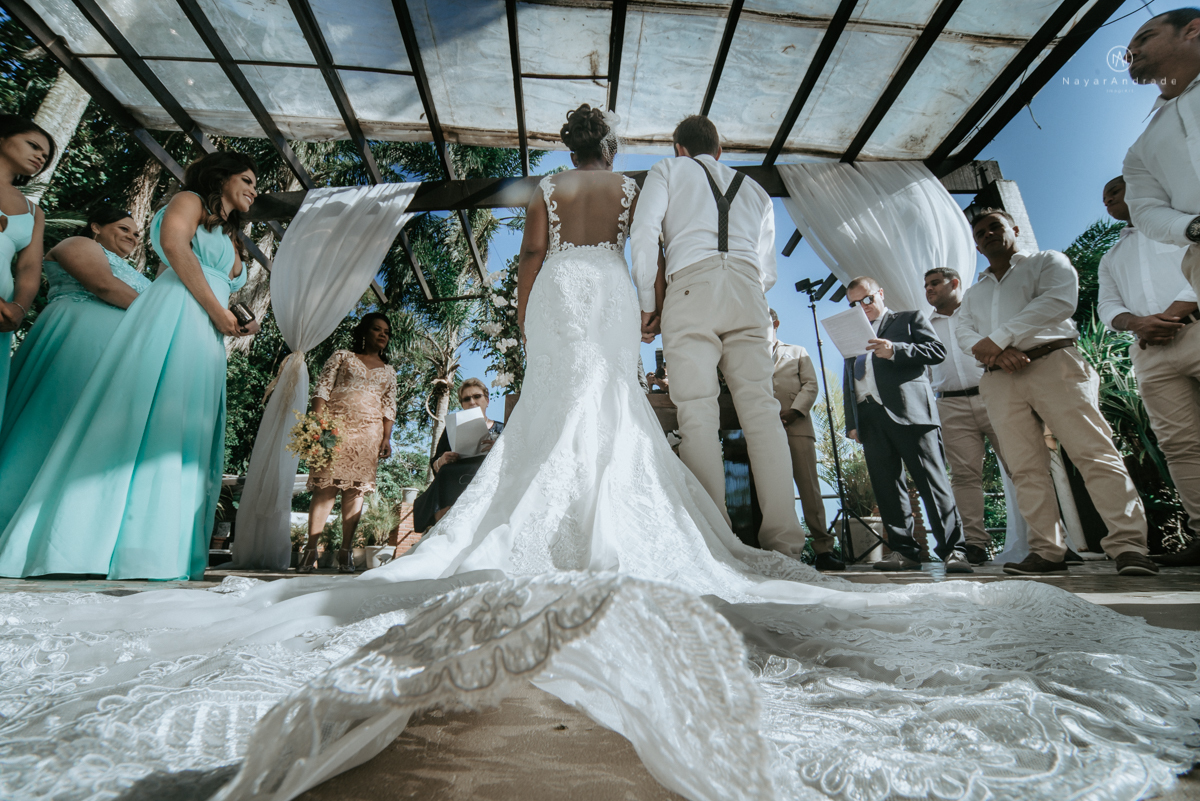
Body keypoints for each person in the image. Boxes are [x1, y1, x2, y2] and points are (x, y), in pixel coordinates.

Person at [4, 110, 1200, 801]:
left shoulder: (544, 183)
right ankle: (704, 530)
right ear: (605, 144)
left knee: (560, 410)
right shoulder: (626, 184)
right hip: (609, 286)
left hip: (560, 294)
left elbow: (531, 255)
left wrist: (538, 307)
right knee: (616, 413)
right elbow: (622, 250)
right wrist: (626, 301)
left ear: (556, 143)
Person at [0, 151, 260, 580]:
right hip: (181, 310)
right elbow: (176, 249)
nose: (254, 189)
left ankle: (152, 549)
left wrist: (233, 320)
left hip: (207, 330)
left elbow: (219, 282)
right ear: (222, 177)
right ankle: (80, 544)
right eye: (247, 179)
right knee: (145, 417)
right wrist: (215, 310)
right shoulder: (190, 200)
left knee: (182, 426)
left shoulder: (231, 234)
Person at [630, 114, 806, 558]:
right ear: (720, 151)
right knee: (762, 413)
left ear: (679, 149)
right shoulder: (757, 190)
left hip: (692, 286)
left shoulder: (667, 171)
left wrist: (647, 305)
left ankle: (718, 542)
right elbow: (768, 271)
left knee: (696, 412)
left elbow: (645, 233)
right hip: (749, 293)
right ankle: (786, 544)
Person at [957, 208, 1158, 576]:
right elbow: (964, 332)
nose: (987, 234)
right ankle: (1047, 550)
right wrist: (999, 354)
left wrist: (1000, 339)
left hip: (1054, 363)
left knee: (1093, 452)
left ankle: (1129, 546)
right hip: (999, 379)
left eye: (995, 226)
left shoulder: (1048, 261)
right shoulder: (974, 292)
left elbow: (1057, 302)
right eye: (981, 232)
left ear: (1013, 229)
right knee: (1024, 468)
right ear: (976, 243)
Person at [0, 207, 149, 521]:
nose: (132, 237)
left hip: (116, 354)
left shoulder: (135, 272)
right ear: (96, 226)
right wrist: (166, 316)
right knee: (51, 417)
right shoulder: (78, 245)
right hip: (75, 340)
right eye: (124, 228)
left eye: (136, 234)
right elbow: (104, 286)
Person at [1098, 174, 1200, 567]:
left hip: (1194, 328)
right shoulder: (1111, 257)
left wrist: (1172, 314)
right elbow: (1108, 306)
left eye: (1114, 190)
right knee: (1179, 444)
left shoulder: (1182, 224)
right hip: (1149, 352)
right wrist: (1137, 324)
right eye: (1104, 197)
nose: (1107, 200)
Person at [840, 277, 970, 573]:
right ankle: (904, 552)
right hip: (870, 418)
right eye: (854, 304)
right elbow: (850, 378)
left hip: (911, 414)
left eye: (867, 299)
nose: (863, 307)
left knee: (931, 483)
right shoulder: (852, 334)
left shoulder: (910, 319)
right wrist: (853, 421)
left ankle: (954, 550)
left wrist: (895, 350)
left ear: (881, 294)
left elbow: (937, 352)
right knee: (886, 488)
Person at [923, 267, 1017, 565]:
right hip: (949, 406)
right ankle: (975, 543)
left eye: (935, 283)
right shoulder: (925, 326)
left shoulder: (979, 313)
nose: (929, 289)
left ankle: (1051, 539)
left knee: (1021, 467)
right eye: (926, 285)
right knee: (964, 477)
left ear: (955, 283)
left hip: (993, 392)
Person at [297, 313, 398, 574]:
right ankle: (310, 550)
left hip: (368, 434)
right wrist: (319, 425)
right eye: (377, 329)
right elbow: (322, 388)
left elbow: (389, 407)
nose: (382, 334)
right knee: (324, 489)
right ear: (364, 332)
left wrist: (386, 438)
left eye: (386, 331)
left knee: (355, 492)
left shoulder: (390, 372)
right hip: (336, 427)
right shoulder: (343, 356)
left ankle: (345, 552)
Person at [1122, 8, 1200, 299]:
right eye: (1127, 51)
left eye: (1144, 38)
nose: (1128, 54)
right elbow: (1144, 209)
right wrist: (1194, 228)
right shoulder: (1140, 149)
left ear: (1192, 30)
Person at [769, 308, 842, 570]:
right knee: (774, 490)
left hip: (797, 427)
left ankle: (824, 549)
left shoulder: (798, 351)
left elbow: (810, 384)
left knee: (809, 489)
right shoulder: (748, 356)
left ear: (775, 322)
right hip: (764, 432)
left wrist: (796, 411)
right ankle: (782, 550)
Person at [0, 115, 51, 423]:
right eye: (33, 146)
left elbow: (30, 266)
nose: (39, 157)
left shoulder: (34, 211)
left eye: (44, 157)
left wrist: (19, 309)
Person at [412, 377, 505, 535]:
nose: (472, 402)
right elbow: (435, 461)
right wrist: (442, 460)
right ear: (462, 404)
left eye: (477, 396)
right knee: (446, 473)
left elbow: (514, 458)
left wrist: (498, 448)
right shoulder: (451, 429)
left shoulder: (502, 429)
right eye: (466, 399)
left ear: (487, 400)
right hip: (455, 475)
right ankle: (440, 532)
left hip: (487, 475)